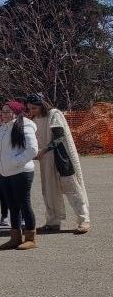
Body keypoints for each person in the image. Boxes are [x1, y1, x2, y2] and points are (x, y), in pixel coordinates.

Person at [26, 93, 91, 235]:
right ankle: (53, 222)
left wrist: (44, 150)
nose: (32, 111)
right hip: (46, 159)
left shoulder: (54, 114)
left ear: (41, 104)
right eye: (29, 108)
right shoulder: (34, 119)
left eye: (34, 108)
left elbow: (59, 136)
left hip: (61, 157)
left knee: (72, 188)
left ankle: (84, 220)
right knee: (49, 190)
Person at [0, 100, 39, 250]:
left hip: (21, 172)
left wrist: (15, 162)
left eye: (8, 111)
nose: (4, 114)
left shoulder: (25, 125)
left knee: (24, 204)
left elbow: (33, 150)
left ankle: (31, 238)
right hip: (5, 174)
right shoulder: (1, 129)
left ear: (16, 112)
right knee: (12, 206)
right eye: (3, 111)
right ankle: (15, 238)